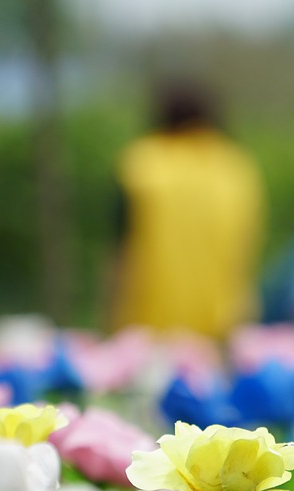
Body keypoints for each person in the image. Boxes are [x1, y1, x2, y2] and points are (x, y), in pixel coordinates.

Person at [112, 80, 265, 339]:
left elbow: (122, 254)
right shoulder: (236, 167)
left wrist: (113, 327)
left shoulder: (142, 165)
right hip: (222, 329)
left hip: (150, 331)